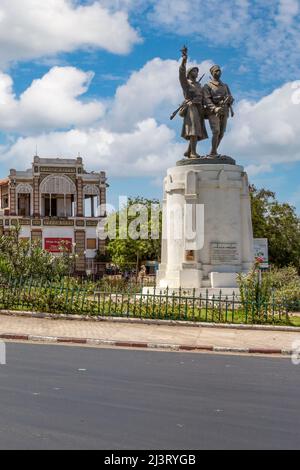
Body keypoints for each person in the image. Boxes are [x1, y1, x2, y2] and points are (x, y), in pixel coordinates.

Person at [179, 47, 208, 159]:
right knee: (193, 131)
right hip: (191, 108)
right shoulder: (186, 84)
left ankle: (188, 151)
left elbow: (203, 97)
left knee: (197, 131)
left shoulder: (199, 85)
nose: (197, 72)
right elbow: (181, 73)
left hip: (199, 108)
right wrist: (184, 60)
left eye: (197, 71)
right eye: (195, 70)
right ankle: (192, 153)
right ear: (190, 73)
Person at [203, 64, 234, 157]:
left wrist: (230, 99)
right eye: (216, 71)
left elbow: (231, 97)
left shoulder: (225, 85)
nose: (218, 72)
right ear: (212, 73)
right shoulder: (207, 85)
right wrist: (215, 108)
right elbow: (206, 99)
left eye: (219, 70)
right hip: (214, 111)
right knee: (216, 131)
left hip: (224, 110)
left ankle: (213, 152)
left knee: (221, 133)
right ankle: (213, 152)